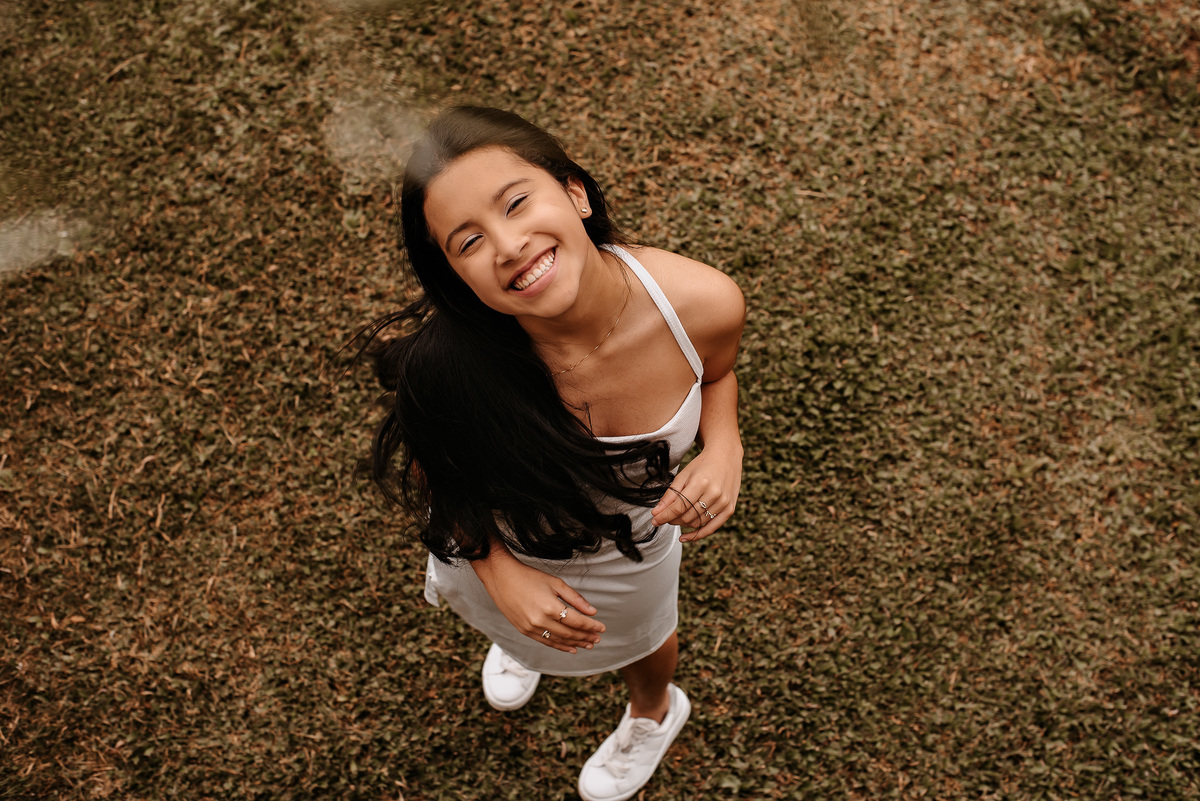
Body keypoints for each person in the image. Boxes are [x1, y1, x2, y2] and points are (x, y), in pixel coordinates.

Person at [359, 106, 744, 801]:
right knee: (523, 621)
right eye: (469, 241)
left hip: (632, 549)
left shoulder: (702, 303)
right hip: (501, 543)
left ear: (575, 192)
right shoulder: (449, 371)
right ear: (455, 276)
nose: (508, 245)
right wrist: (500, 572)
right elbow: (438, 473)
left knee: (646, 639)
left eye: (516, 203)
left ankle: (653, 712)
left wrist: (726, 446)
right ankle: (519, 642)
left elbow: (715, 372)